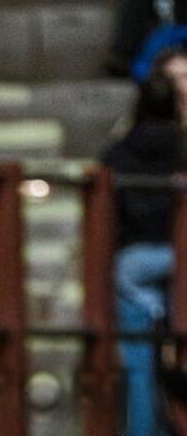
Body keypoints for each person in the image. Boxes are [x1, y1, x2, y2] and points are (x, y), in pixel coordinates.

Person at [102, 75, 184, 436]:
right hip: (180, 258)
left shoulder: (119, 151)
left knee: (139, 361)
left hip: (134, 260)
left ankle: (143, 430)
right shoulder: (182, 146)